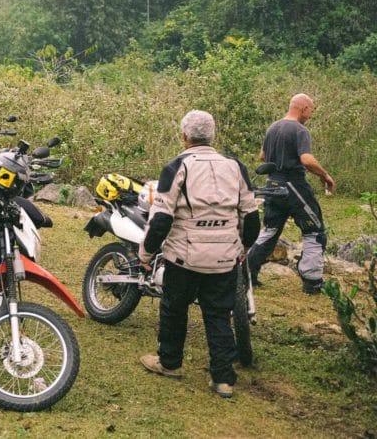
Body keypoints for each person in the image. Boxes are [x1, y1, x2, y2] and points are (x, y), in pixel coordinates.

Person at [138, 110, 260, 399]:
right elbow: (252, 218)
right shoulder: (235, 167)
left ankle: (169, 363)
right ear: (213, 136)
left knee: (174, 309)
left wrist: (145, 253)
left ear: (184, 137)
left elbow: (161, 220)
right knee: (218, 315)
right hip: (223, 259)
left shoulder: (177, 166)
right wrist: (241, 249)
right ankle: (223, 379)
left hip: (184, 257)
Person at [247, 93, 335, 294]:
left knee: (270, 231)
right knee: (315, 231)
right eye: (311, 111)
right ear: (303, 108)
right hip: (294, 185)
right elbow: (307, 160)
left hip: (272, 184)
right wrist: (325, 175)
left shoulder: (273, 127)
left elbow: (262, 156)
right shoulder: (300, 130)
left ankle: (247, 274)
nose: (310, 115)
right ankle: (313, 282)